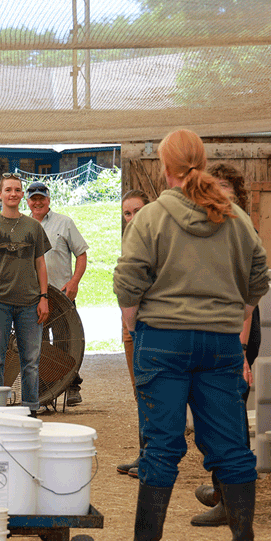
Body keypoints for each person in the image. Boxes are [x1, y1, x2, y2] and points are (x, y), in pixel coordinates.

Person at [113, 129, 269, 541]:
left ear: (165, 168)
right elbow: (259, 276)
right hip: (219, 342)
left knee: (161, 444)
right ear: (202, 161)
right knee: (230, 442)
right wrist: (235, 311)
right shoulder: (233, 216)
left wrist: (132, 319)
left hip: (163, 338)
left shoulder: (153, 217)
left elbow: (128, 278)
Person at [190, 163, 265, 527]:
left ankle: (231, 504)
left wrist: (240, 355)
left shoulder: (240, 229)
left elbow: (243, 299)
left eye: (228, 191)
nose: (221, 197)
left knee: (229, 419)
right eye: (214, 190)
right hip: (222, 329)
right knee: (217, 412)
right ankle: (222, 491)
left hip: (237, 331)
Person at [0, 174, 49, 415]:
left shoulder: (34, 227)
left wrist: (44, 297)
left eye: (17, 190)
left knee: (31, 361)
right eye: (8, 189)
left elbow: (41, 264)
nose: (13, 194)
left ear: (22, 195)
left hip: (30, 303)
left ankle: (30, 408)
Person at [26, 180, 88, 405]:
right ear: (28, 201)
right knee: (39, 345)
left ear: (48, 199)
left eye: (41, 197)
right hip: (34, 296)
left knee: (67, 342)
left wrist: (74, 282)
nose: (38, 202)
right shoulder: (23, 225)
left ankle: (72, 386)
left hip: (62, 295)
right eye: (33, 198)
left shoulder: (65, 223)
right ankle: (46, 389)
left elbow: (81, 254)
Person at [115, 190, 150, 477]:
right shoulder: (129, 240)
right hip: (130, 325)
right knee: (139, 391)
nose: (132, 218)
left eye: (137, 211)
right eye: (128, 213)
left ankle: (152, 457)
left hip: (149, 322)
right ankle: (143, 453)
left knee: (152, 390)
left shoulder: (158, 238)